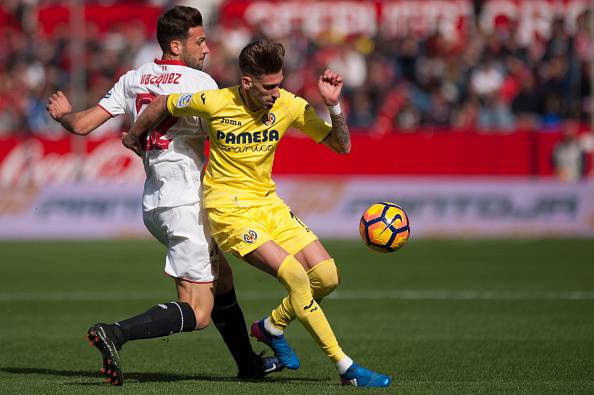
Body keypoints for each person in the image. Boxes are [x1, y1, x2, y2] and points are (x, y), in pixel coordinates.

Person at [123, 39, 392, 388]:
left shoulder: (289, 106)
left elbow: (342, 146)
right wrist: (133, 134)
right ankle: (346, 368)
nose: (276, 93)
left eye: (279, 84)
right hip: (228, 210)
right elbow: (164, 103)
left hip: (268, 204)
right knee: (296, 277)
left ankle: (270, 326)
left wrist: (334, 106)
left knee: (327, 276)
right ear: (247, 82)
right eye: (269, 87)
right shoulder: (215, 101)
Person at [46, 6, 282, 386]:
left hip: (155, 201)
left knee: (220, 277)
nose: (206, 48)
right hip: (185, 201)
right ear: (176, 44)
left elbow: (83, 125)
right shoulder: (200, 84)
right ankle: (115, 333)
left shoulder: (133, 79)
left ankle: (249, 366)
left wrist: (63, 116)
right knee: (199, 311)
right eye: (199, 40)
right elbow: (225, 135)